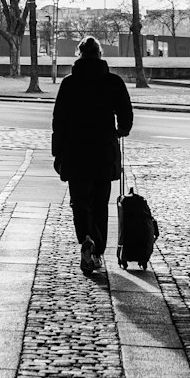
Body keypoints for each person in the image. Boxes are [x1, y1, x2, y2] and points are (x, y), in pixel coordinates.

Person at [52, 36, 133, 276]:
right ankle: (97, 250)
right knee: (99, 203)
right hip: (103, 152)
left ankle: (87, 239)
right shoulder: (113, 82)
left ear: (80, 55)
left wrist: (58, 153)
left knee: (79, 202)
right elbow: (125, 113)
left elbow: (59, 121)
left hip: (75, 152)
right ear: (99, 54)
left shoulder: (69, 84)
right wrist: (121, 131)